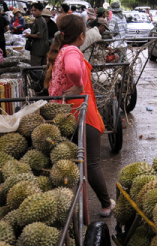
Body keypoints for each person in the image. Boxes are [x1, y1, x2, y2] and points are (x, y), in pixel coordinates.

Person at [45, 15, 114, 216]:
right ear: (82, 36)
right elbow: (74, 69)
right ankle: (105, 205)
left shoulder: (61, 50)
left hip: (62, 114)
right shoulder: (72, 50)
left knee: (67, 162)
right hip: (77, 112)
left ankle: (64, 207)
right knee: (91, 163)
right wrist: (78, 86)